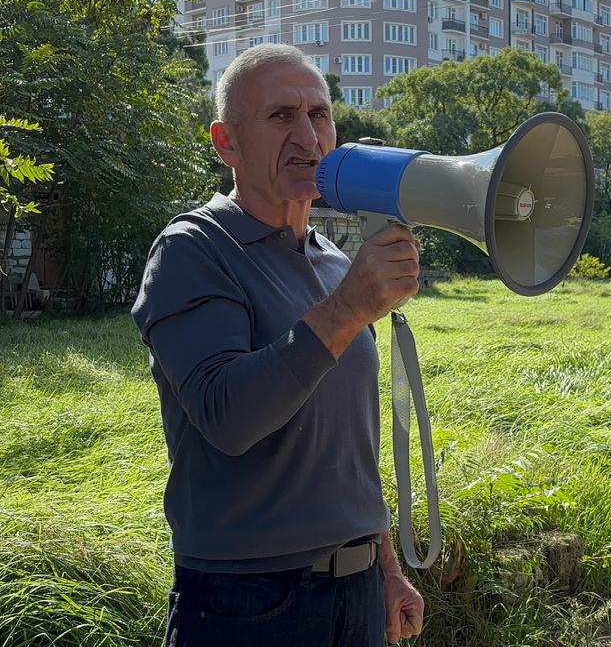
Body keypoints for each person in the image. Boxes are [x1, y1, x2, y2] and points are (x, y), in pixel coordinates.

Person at [131, 43, 425, 646]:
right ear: (226, 143)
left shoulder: (332, 260)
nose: (307, 137)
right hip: (248, 603)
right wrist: (347, 309)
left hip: (358, 590)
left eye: (318, 114)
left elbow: (350, 446)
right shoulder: (193, 249)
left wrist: (386, 570)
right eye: (280, 116)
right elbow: (228, 416)